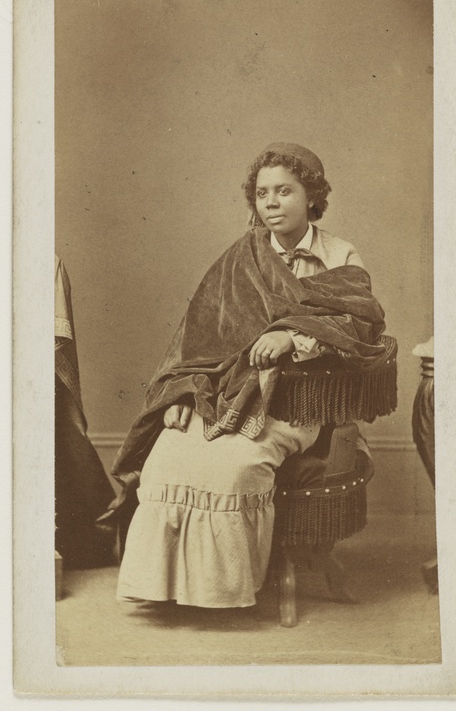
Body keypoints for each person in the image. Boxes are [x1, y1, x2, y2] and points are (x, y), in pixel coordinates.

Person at [112, 142, 386, 609]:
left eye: (284, 191)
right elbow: (199, 343)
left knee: (234, 469)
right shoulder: (243, 255)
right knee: (166, 459)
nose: (271, 203)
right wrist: (183, 393)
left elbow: (358, 324)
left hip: (296, 404)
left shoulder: (340, 255)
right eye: (262, 194)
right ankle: (163, 587)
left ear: (312, 196)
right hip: (223, 396)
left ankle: (220, 591)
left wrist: (293, 337)